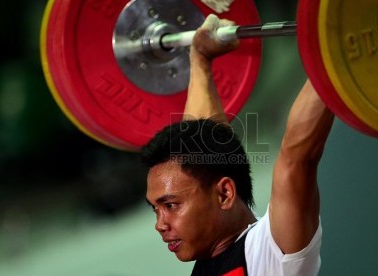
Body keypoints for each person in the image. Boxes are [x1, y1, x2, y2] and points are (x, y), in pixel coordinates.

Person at [141, 14, 334, 276]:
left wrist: (335, 55)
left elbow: (297, 156)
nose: (160, 225)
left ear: (224, 194)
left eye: (170, 205)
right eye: (156, 209)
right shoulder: (204, 262)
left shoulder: (272, 251)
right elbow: (201, 138)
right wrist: (200, 59)